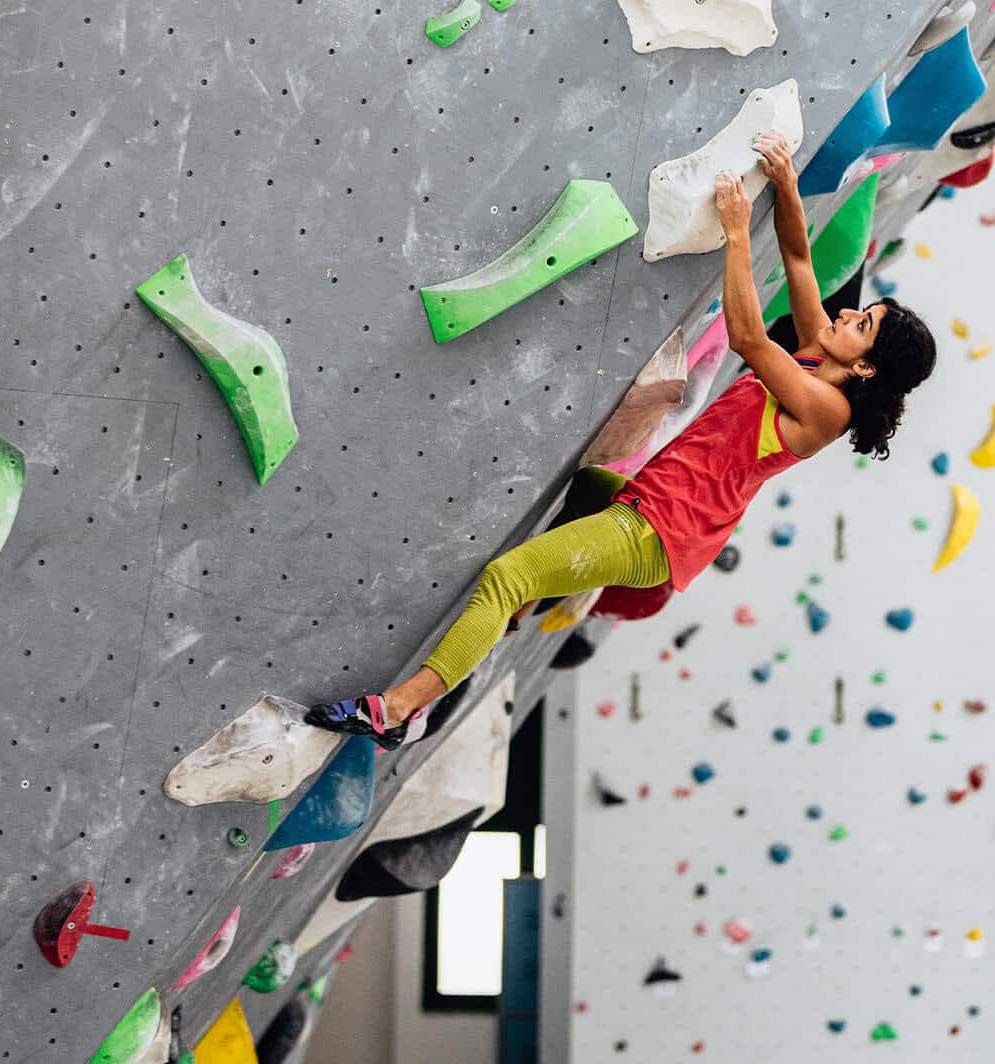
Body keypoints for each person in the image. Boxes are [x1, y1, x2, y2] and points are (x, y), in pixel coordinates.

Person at [306, 133, 938, 749]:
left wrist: (739, 231)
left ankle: (398, 710)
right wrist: (787, 185)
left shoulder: (824, 408)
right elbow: (800, 262)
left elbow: (747, 338)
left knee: (507, 576)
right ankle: (513, 615)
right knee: (583, 479)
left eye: (862, 325)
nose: (848, 315)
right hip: (647, 503)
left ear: (865, 368)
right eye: (861, 312)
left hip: (659, 531)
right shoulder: (811, 362)